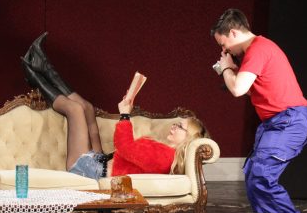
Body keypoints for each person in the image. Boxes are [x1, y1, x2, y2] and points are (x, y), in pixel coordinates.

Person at [210, 8, 307, 213]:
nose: (225, 51)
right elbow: (250, 90)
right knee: (252, 174)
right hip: (274, 122)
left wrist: (226, 69)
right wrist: (230, 69)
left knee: (262, 175)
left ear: (233, 32)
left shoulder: (258, 49)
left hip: (289, 120)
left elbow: (238, 89)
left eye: (223, 44)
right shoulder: (255, 52)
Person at [20, 33, 208, 179]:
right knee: (87, 108)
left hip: (90, 170)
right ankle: (43, 66)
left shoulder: (165, 156)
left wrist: (125, 115)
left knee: (75, 110)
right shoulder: (166, 152)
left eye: (180, 126)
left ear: (187, 139)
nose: (174, 126)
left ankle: (33, 75)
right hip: (101, 161)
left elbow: (125, 147)